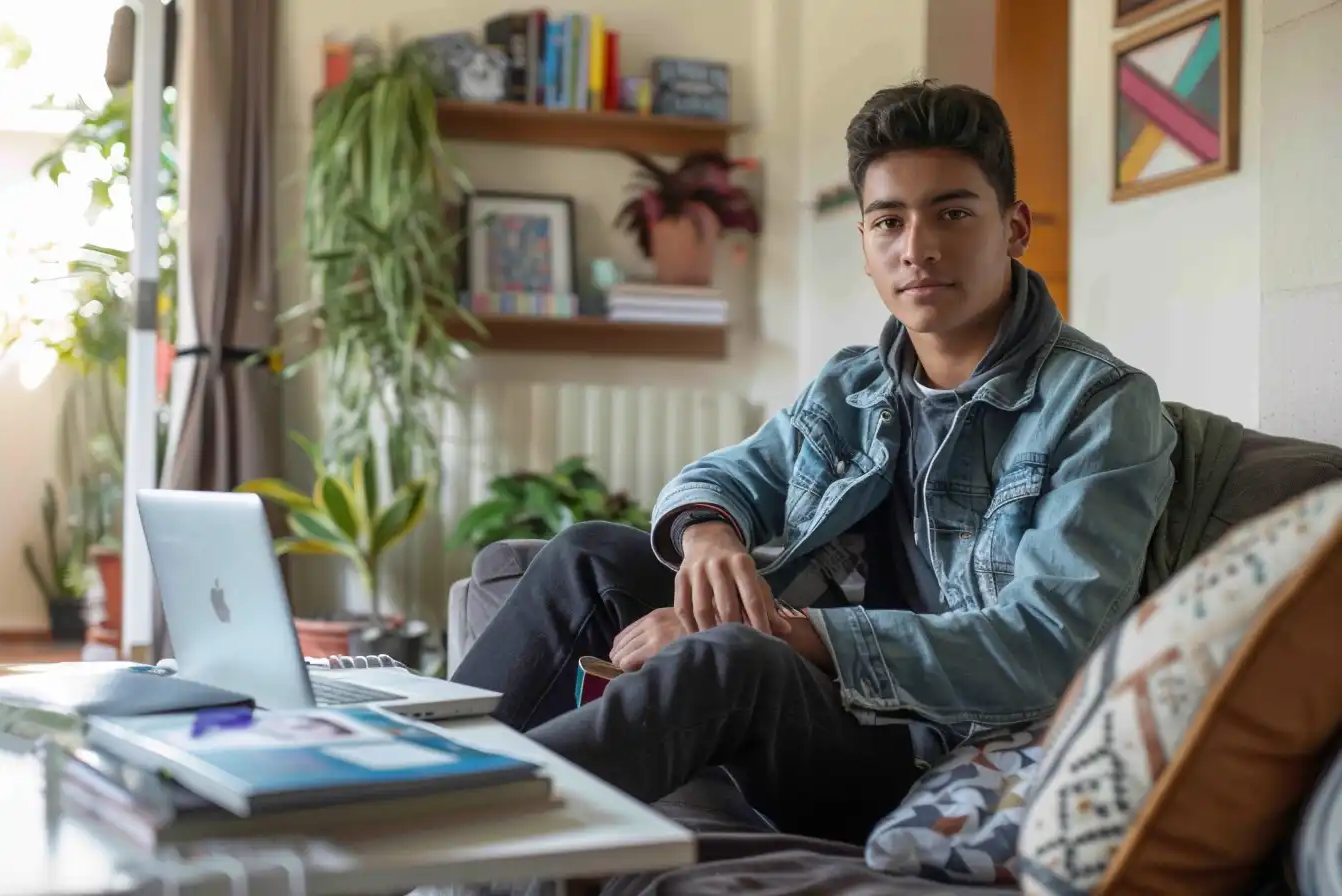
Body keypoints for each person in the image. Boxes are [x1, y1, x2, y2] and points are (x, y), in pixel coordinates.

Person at [450, 79, 1177, 846]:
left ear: (1014, 227)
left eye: (953, 213)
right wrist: (709, 534)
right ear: (865, 245)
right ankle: (399, 784)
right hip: (826, 689)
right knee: (589, 555)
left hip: (935, 749)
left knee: (731, 660)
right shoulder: (854, 384)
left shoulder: (1102, 407)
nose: (917, 247)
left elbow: (1044, 646)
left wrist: (792, 632)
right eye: (889, 220)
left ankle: (451, 836)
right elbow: (728, 476)